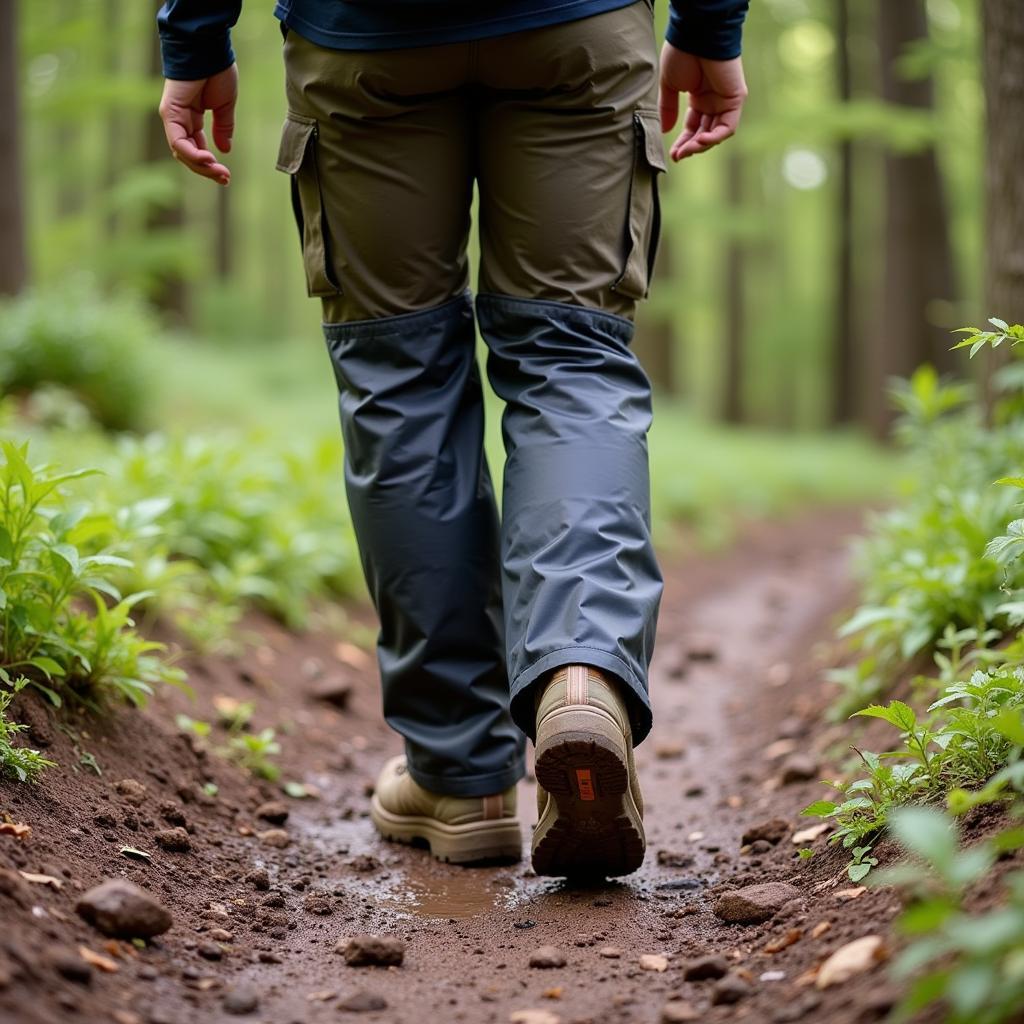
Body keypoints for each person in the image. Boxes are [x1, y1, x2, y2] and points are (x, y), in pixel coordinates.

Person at [157, 0, 748, 878]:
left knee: (398, 378)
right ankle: (579, 676)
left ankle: (459, 774)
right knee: (571, 362)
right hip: (577, 26)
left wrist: (194, 35)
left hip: (360, 40)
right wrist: (709, 26)